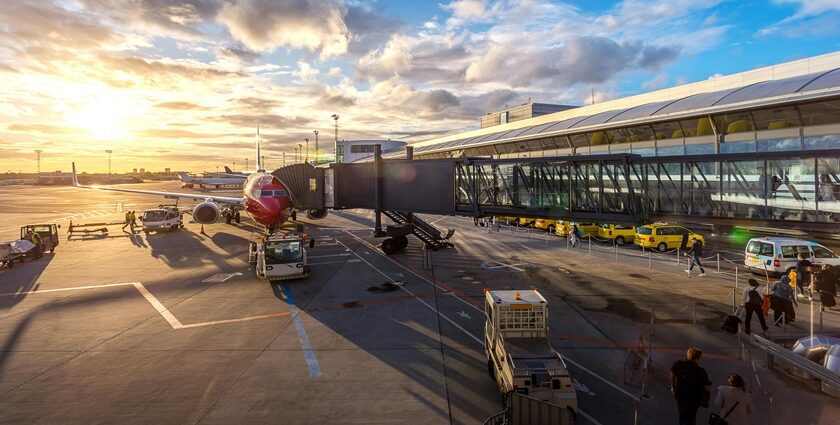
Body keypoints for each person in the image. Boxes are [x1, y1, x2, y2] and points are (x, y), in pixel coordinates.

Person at [670, 347, 712, 425]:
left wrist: (673, 388)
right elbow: (708, 387)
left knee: (682, 415)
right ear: (697, 359)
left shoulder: (678, 364)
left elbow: (671, 377)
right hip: (695, 399)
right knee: (692, 416)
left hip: (681, 396)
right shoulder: (701, 372)